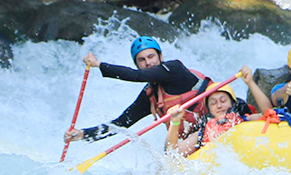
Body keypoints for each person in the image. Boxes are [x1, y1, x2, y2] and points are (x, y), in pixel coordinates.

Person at [63, 35, 211, 145]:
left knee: (178, 151)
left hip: (218, 121)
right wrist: (84, 134)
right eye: (142, 60)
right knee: (169, 157)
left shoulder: (175, 69)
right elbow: (121, 123)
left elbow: (136, 76)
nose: (148, 62)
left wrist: (99, 65)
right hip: (194, 139)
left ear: (160, 56)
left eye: (151, 56)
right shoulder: (151, 96)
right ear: (137, 64)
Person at [165, 66, 272, 157]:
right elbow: (173, 153)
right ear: (209, 109)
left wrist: (250, 82)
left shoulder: (244, 120)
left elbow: (269, 113)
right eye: (213, 103)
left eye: (223, 100)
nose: (219, 106)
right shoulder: (202, 133)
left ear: (232, 103)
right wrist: (175, 122)